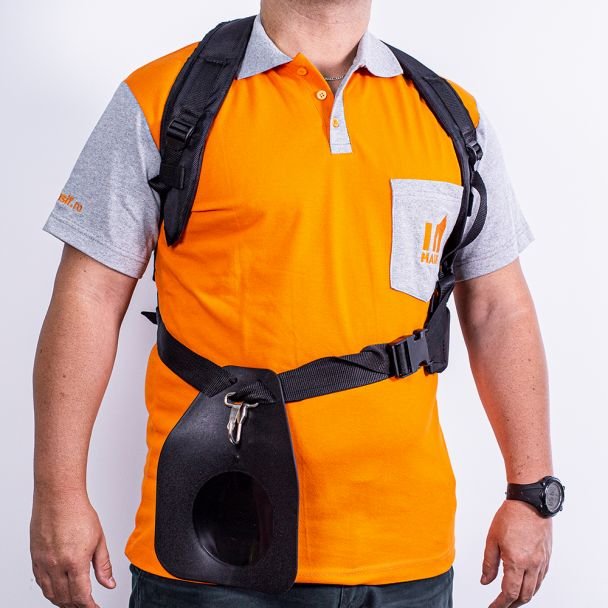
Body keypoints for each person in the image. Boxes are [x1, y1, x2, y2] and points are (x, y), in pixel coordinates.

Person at [31, 1, 560, 607]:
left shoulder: (451, 117)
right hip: (212, 546)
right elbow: (89, 296)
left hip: (403, 554)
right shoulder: (163, 99)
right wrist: (58, 494)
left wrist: (532, 492)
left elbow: (499, 309)